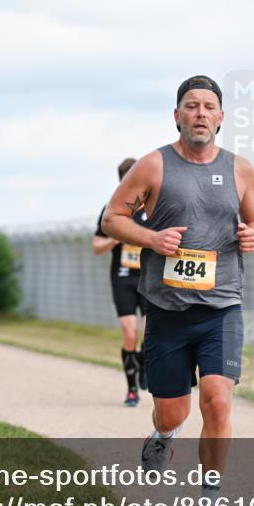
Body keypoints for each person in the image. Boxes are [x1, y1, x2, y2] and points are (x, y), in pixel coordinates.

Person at [102, 75, 254, 506]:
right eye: (190, 105)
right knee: (173, 411)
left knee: (216, 402)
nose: (200, 113)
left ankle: (211, 504)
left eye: (208, 106)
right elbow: (112, 218)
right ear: (177, 115)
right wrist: (152, 237)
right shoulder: (154, 166)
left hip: (222, 307)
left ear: (221, 117)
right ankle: (163, 436)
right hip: (168, 311)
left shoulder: (242, 169)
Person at [93, 158, 148, 407]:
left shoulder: (154, 209)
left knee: (150, 332)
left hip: (150, 279)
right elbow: (96, 247)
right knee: (129, 332)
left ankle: (145, 364)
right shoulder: (112, 210)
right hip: (124, 278)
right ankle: (132, 389)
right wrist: (116, 237)